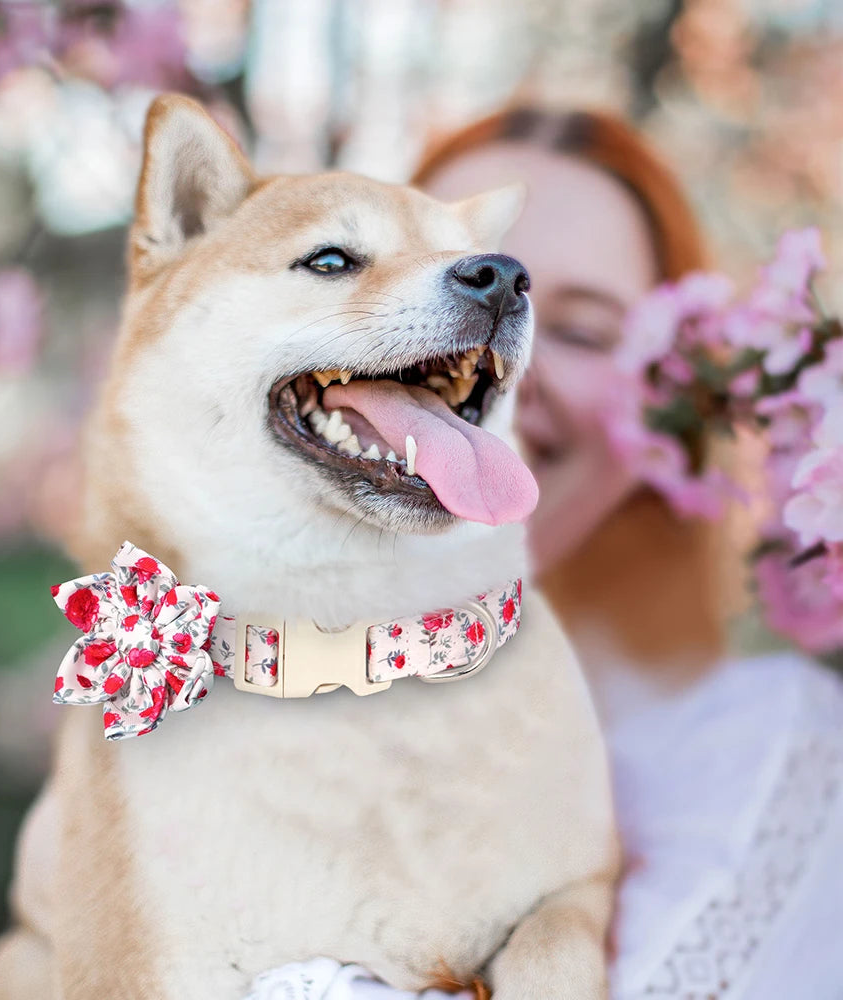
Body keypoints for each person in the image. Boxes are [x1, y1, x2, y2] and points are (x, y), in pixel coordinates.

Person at [244, 107, 843, 999]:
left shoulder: (781, 772)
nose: (498, 358)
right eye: (443, 281)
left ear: (672, 426)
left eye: (587, 330)